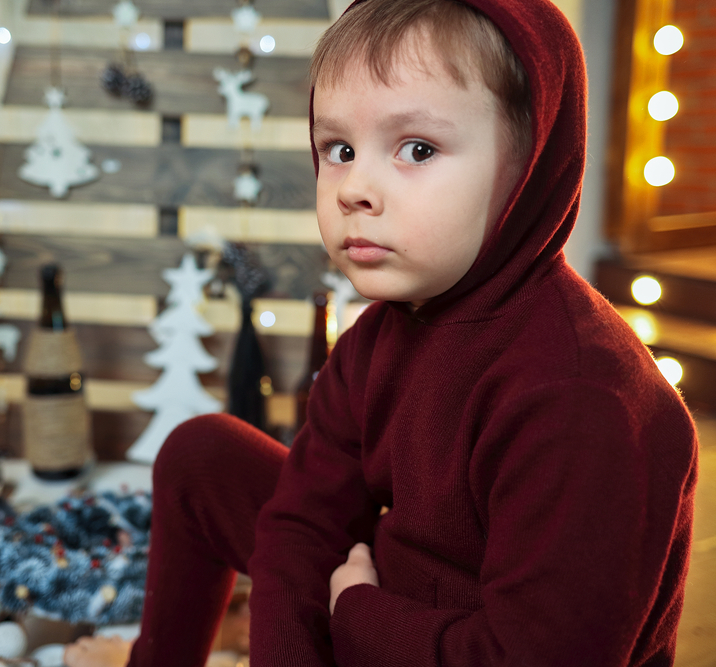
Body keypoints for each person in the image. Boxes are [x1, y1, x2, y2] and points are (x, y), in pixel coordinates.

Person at [64, 0, 699, 664]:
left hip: (475, 640)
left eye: (416, 148)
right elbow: (300, 523)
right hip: (392, 585)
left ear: (531, 165)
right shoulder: (381, 335)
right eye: (338, 149)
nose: (354, 188)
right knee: (203, 453)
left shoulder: (584, 400)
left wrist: (359, 614)